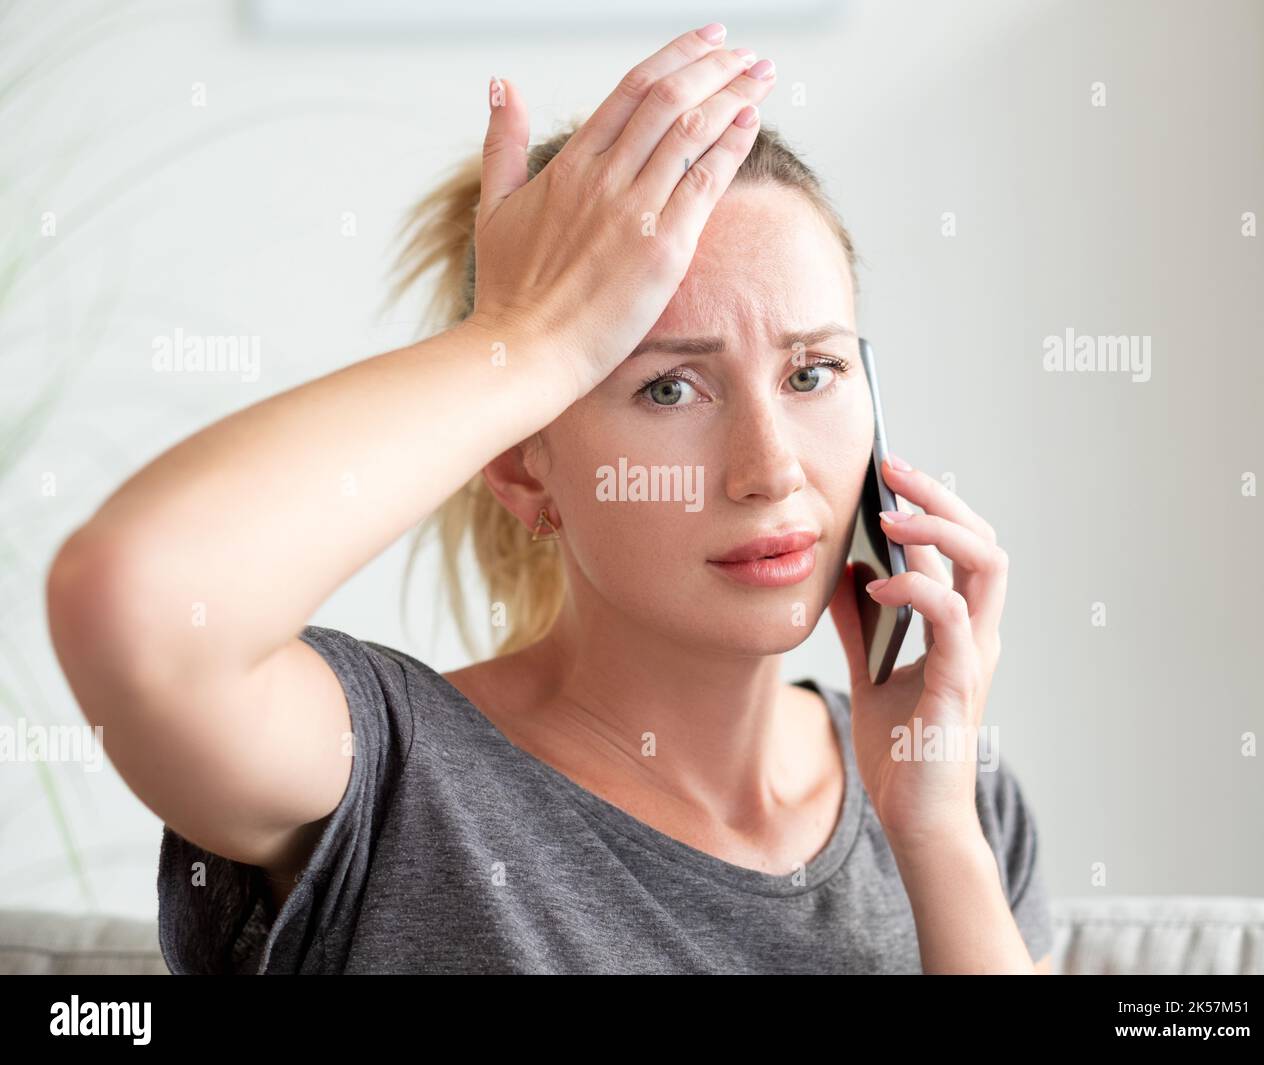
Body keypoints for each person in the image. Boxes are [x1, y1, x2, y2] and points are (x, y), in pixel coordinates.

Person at [45, 23, 1052, 974]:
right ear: (525, 466)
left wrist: (935, 835)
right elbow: (136, 600)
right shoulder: (391, 774)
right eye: (667, 387)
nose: (772, 469)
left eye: (811, 373)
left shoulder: (953, 791)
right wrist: (530, 338)